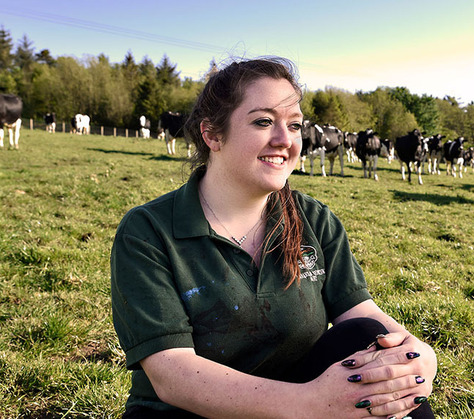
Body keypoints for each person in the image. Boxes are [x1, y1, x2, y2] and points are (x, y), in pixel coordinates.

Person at [111, 56, 437, 418]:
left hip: (300, 402)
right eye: (264, 121)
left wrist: (418, 353)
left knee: (366, 336)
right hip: (188, 412)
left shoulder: (314, 218)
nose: (286, 141)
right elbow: (173, 375)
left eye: (295, 125)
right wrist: (313, 403)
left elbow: (358, 311)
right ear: (212, 134)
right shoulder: (148, 231)